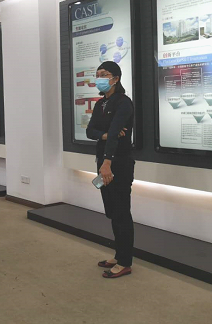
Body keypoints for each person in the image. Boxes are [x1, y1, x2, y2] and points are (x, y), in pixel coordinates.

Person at [86, 61, 135, 279]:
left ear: (115, 78)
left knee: (122, 212)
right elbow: (90, 131)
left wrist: (107, 162)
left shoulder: (123, 103)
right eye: (98, 74)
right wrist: (104, 135)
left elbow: (116, 132)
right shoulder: (100, 104)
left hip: (118, 163)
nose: (100, 78)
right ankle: (118, 254)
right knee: (112, 212)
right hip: (103, 162)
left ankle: (125, 262)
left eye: (104, 74)